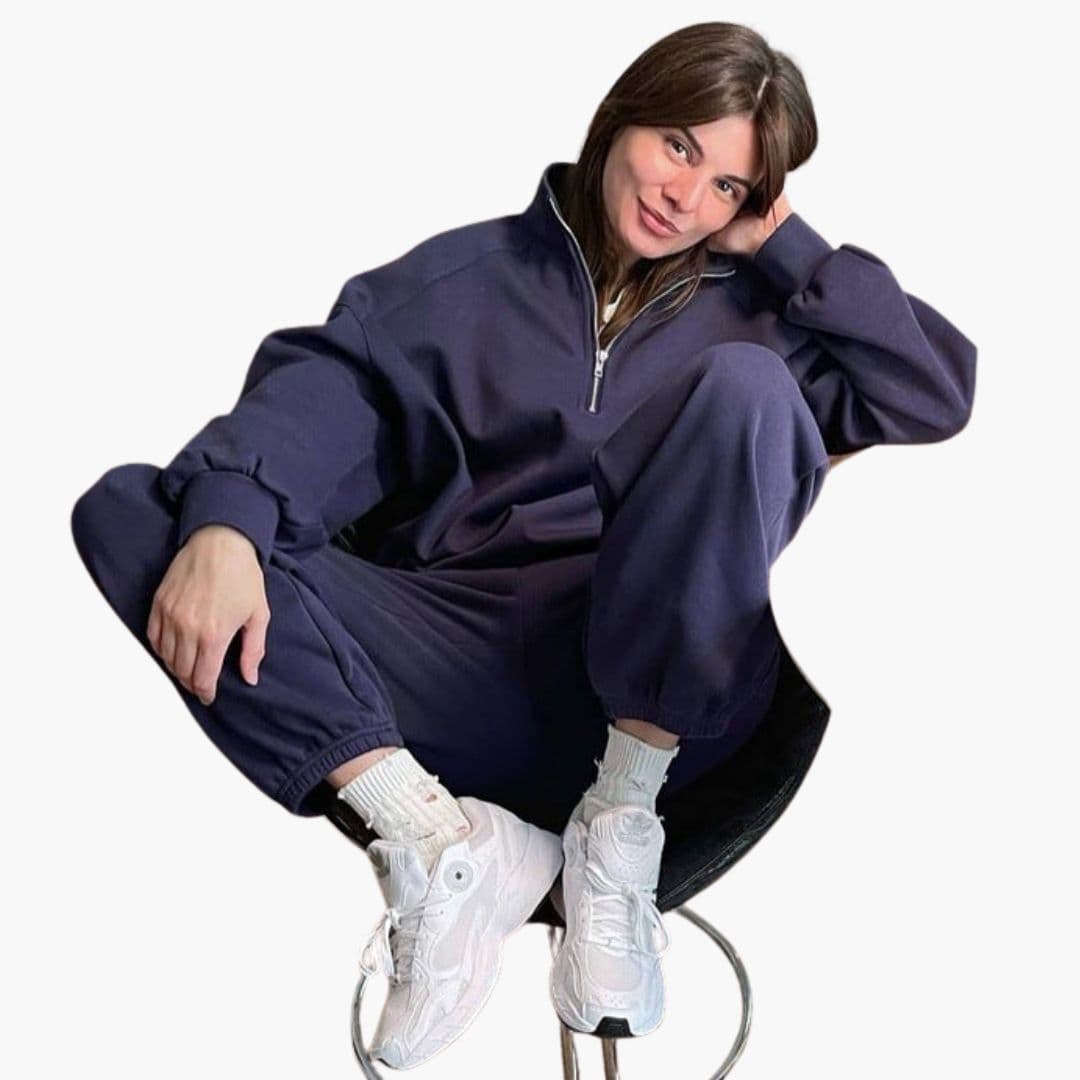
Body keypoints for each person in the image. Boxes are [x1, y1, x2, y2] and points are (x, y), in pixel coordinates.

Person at [69, 20, 977, 1072]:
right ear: (622, 116)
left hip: (676, 709)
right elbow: (325, 397)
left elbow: (934, 390)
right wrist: (229, 517)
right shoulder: (464, 281)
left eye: (728, 185)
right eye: (679, 145)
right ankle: (437, 842)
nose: (686, 197)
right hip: (457, 684)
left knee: (745, 388)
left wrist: (790, 252)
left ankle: (614, 833)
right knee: (138, 512)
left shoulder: (767, 324)